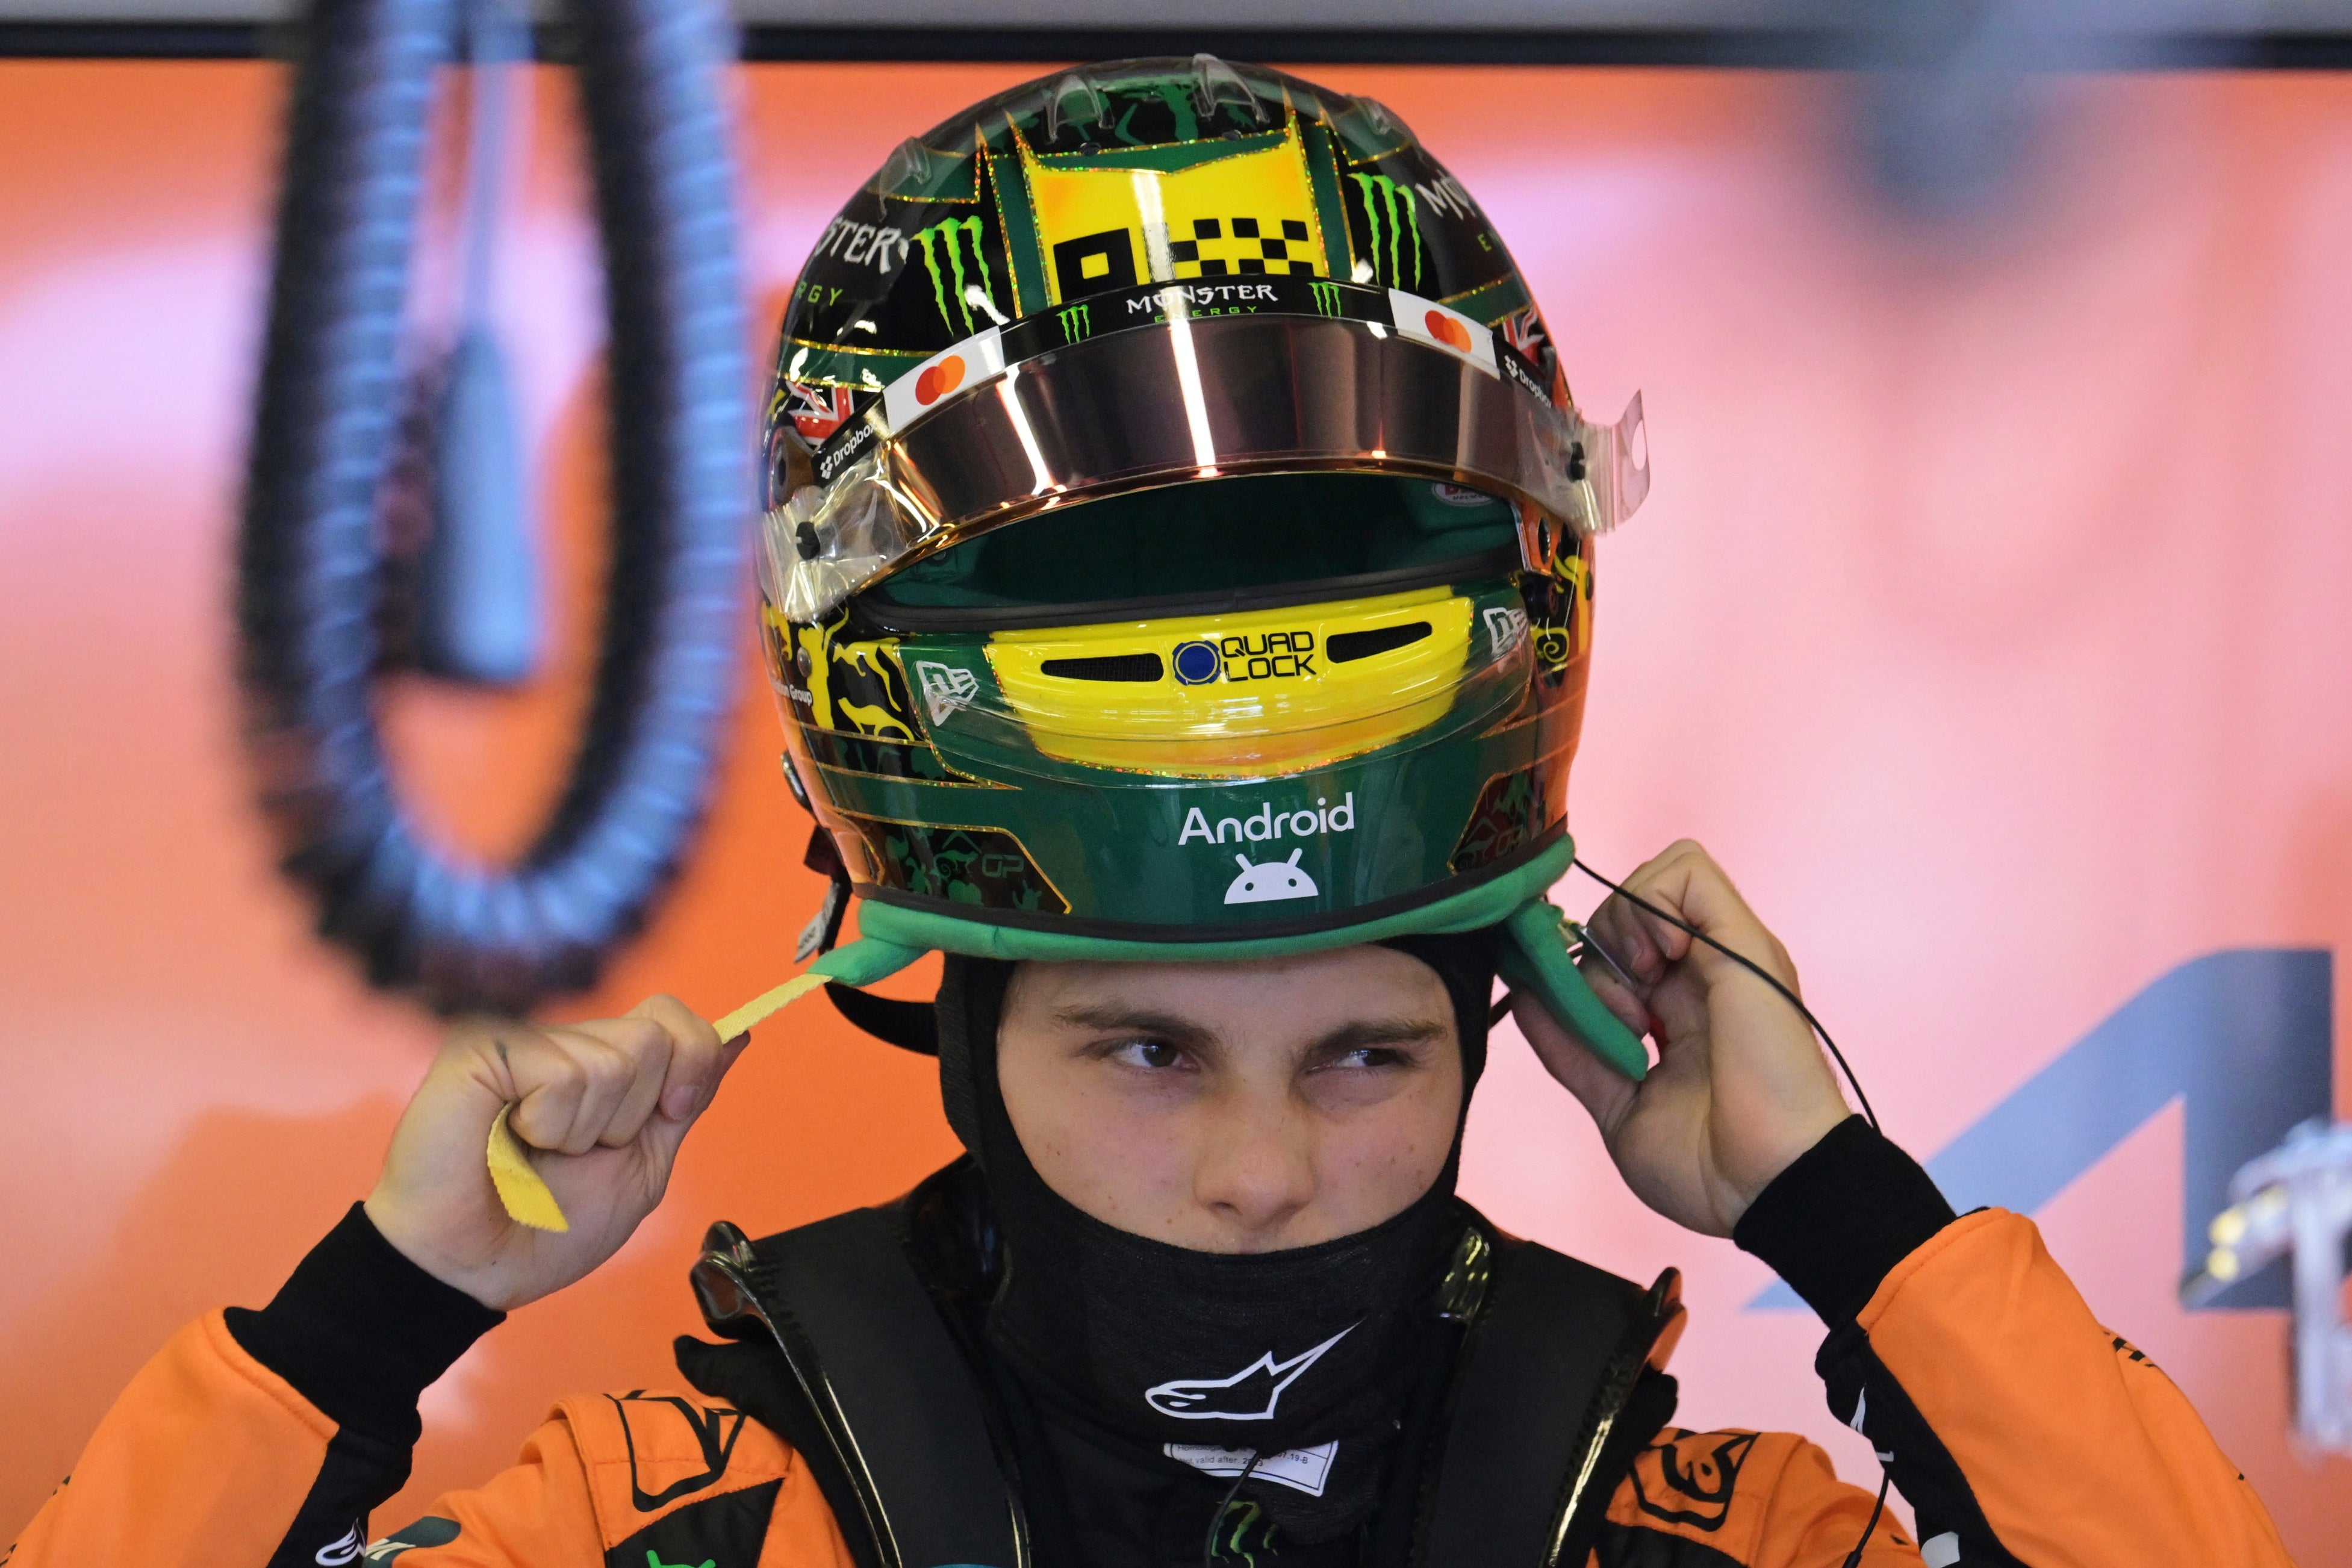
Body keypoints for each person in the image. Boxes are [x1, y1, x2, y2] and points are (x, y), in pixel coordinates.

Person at [11, 58, 2295, 1568]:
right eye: (1142, 1046)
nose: (1259, 1171)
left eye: (1367, 1053)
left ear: (1506, 1029)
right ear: (959, 1032)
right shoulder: (682, 1527)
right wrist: (370, 1319)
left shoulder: (1707, 1532)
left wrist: (1842, 1213)